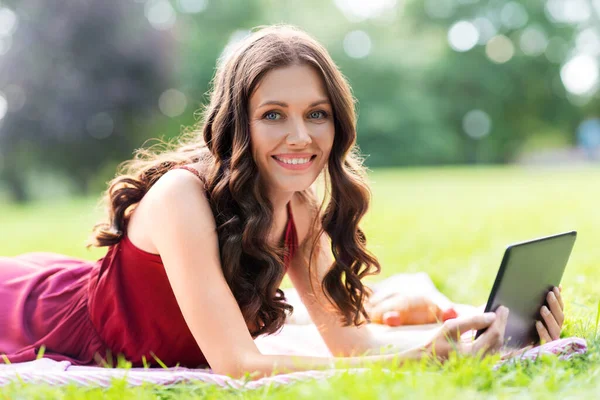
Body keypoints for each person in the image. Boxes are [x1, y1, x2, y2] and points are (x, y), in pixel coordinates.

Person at [0, 25, 565, 379]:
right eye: (274, 115)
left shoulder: (299, 211)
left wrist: (480, 331)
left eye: (316, 113)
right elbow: (238, 364)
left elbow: (351, 344)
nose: (301, 136)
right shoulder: (182, 197)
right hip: (30, 315)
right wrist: (413, 360)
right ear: (236, 122)